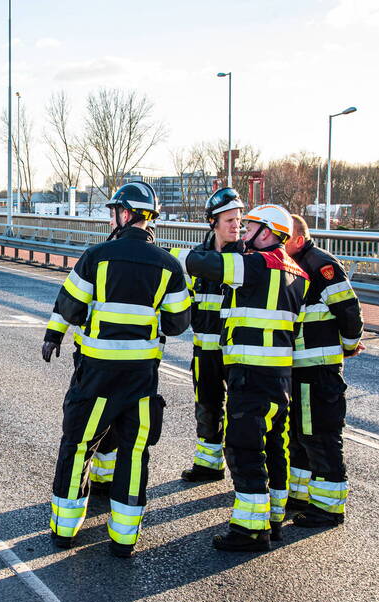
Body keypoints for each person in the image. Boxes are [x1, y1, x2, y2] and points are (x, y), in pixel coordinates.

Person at [43, 182, 191, 557]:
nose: (112, 217)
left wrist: (53, 335)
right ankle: (124, 538)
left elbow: (71, 306)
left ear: (125, 214)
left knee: (78, 446)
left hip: (96, 374)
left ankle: (65, 530)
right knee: (134, 451)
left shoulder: (97, 256)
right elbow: (177, 324)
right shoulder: (169, 265)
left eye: (114, 211)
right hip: (141, 377)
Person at [175, 204, 309, 551]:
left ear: (268, 232)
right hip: (280, 377)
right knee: (275, 449)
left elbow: (205, 264)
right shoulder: (297, 273)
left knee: (244, 449)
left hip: (252, 376)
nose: (243, 233)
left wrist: (169, 254)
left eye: (249, 227)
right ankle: (273, 518)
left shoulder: (256, 264)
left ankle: (250, 529)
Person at [285, 214, 364, 527]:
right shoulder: (290, 265)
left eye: (284, 237)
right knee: (299, 434)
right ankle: (301, 495)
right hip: (299, 367)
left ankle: (329, 507)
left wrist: (349, 345)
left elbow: (348, 309)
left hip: (317, 368)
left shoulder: (320, 265)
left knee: (320, 434)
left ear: (300, 240)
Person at [172, 188, 246, 483]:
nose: (236, 226)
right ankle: (208, 465)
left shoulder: (245, 257)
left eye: (238, 220)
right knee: (206, 406)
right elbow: (186, 299)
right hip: (205, 348)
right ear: (212, 222)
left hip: (239, 352)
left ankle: (245, 474)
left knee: (241, 413)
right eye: (229, 220)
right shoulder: (198, 259)